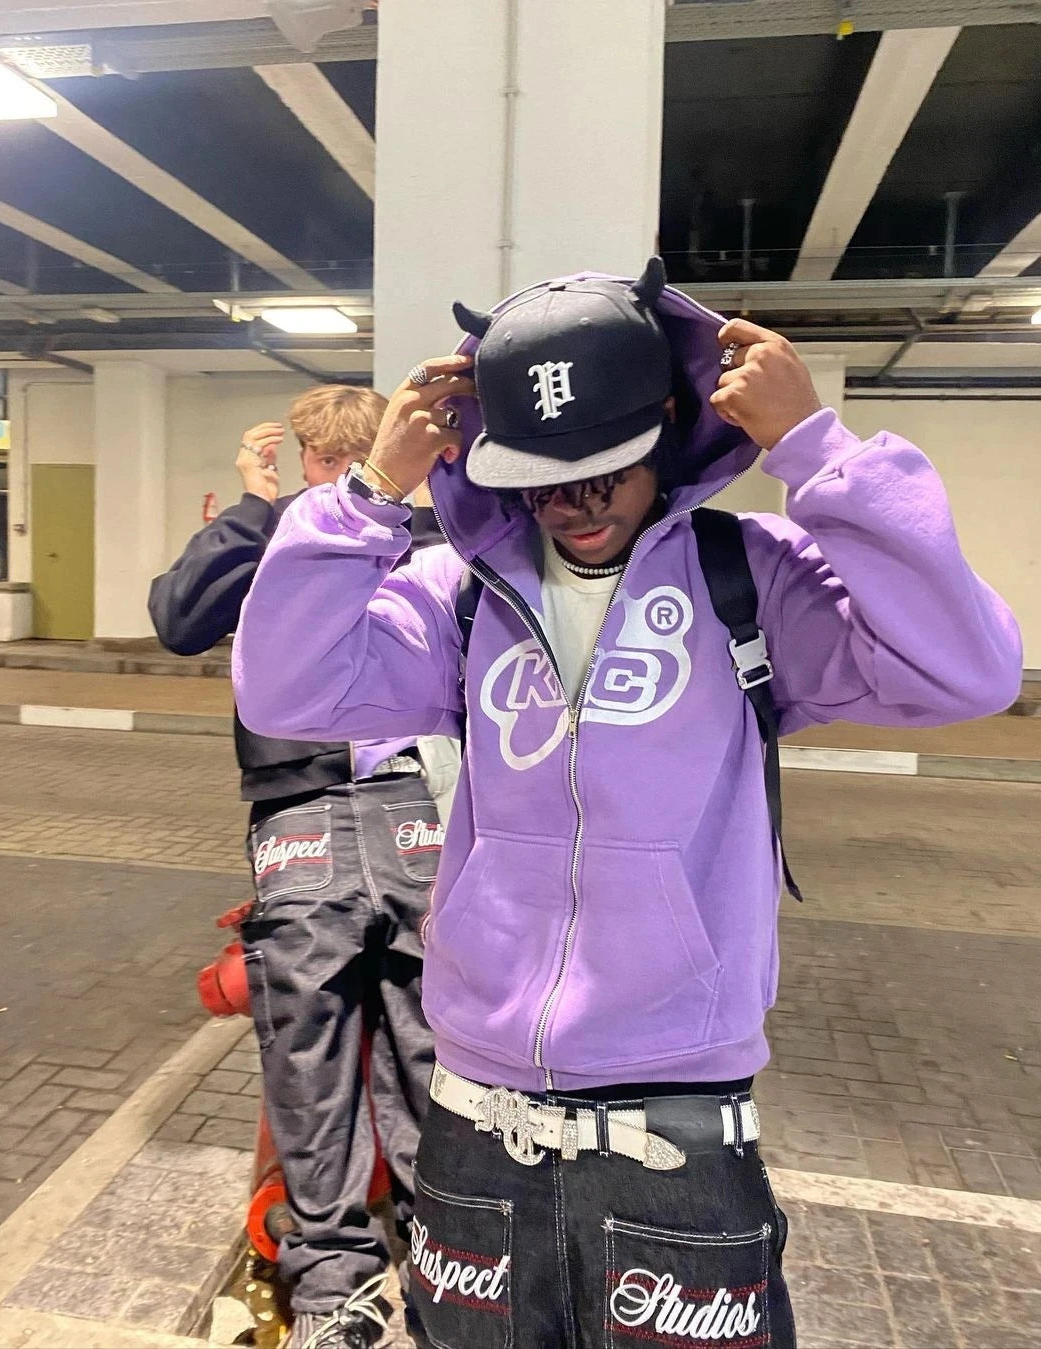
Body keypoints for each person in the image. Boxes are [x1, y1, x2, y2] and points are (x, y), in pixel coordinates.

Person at [231, 263, 1022, 1349]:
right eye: (542, 476)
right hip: (476, 1107)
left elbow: (968, 669)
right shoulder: (462, 596)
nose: (574, 501)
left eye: (604, 466)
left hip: (679, 1109)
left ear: (666, 428)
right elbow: (284, 687)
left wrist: (818, 451)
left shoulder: (749, 579)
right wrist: (369, 493)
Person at [149, 384, 446, 1349]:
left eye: (342, 462)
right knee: (391, 1043)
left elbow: (178, 616)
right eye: (327, 464)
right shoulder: (352, 538)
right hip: (363, 809)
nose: (336, 480)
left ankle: (358, 1285)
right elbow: (179, 617)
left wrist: (259, 504)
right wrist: (257, 509)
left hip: (353, 809)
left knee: (339, 1050)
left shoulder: (347, 537)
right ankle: (419, 1277)